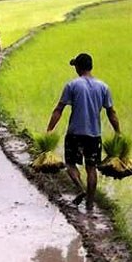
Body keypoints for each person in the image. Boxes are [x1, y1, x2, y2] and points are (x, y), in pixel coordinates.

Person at [46, 53, 120, 211]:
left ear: (79, 67)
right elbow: (111, 112)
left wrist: (49, 129)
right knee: (91, 168)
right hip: (94, 135)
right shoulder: (103, 87)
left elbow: (59, 109)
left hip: (75, 133)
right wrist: (118, 132)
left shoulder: (72, 85)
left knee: (71, 164)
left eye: (75, 67)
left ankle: (80, 188)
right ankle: (90, 204)